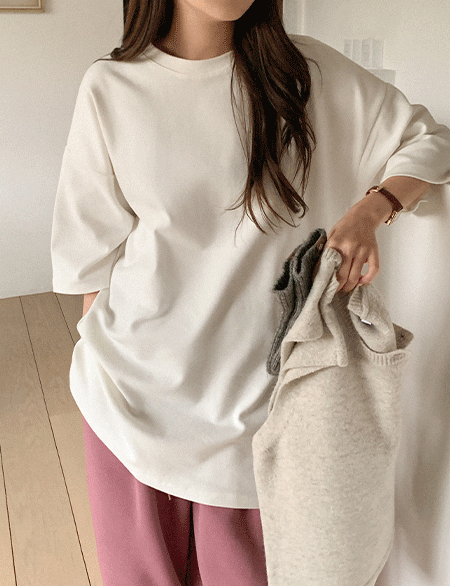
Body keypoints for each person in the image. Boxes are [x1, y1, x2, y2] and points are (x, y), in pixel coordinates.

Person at [50, 0, 450, 584]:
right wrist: (106, 368)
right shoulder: (111, 88)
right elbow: (91, 264)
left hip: (256, 419)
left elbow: (429, 141)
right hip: (127, 403)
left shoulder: (305, 75)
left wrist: (372, 210)